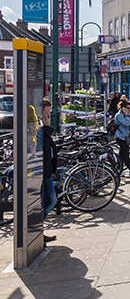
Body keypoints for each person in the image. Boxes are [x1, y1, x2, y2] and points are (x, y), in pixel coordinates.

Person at [38, 99, 58, 243]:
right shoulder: (39, 132)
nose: (48, 117)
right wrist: (45, 127)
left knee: (49, 200)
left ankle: (38, 230)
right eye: (46, 114)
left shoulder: (43, 132)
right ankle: (36, 230)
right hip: (41, 172)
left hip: (46, 171)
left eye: (49, 114)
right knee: (51, 199)